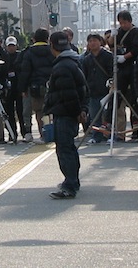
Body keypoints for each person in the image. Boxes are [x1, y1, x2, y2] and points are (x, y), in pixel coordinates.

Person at [44, 31, 89, 199]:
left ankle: (69, 185)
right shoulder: (74, 62)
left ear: (52, 46)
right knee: (69, 148)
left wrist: (78, 111)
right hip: (70, 113)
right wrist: (82, 110)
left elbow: (69, 94)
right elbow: (84, 90)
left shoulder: (62, 66)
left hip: (64, 114)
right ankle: (72, 181)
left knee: (65, 150)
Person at [106, 10, 138, 139]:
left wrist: (124, 57)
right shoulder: (119, 31)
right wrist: (112, 35)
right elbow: (111, 44)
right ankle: (109, 125)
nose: (122, 25)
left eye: (124, 22)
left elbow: (137, 49)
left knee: (135, 98)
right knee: (115, 96)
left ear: (129, 21)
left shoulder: (136, 32)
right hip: (122, 68)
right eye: (120, 23)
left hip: (133, 66)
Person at [18, 28, 55, 142]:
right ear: (47, 38)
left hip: (34, 86)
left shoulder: (28, 52)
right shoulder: (52, 50)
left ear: (34, 39)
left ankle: (38, 134)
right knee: (50, 111)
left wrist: (23, 88)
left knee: (38, 111)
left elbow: (25, 71)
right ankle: (50, 134)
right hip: (51, 85)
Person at [81, 33, 113, 143]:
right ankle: (96, 136)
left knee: (107, 115)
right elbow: (84, 75)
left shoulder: (108, 56)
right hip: (92, 91)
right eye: (90, 41)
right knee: (94, 115)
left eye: (95, 40)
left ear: (100, 42)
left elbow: (112, 72)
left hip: (106, 90)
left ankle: (109, 136)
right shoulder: (86, 59)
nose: (93, 43)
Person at [4, 36, 24, 140]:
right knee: (9, 112)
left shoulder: (21, 56)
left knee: (21, 111)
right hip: (8, 89)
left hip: (19, 87)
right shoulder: (4, 57)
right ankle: (12, 133)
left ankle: (24, 132)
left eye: (13, 45)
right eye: (9, 46)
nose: (11, 48)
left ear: (16, 46)